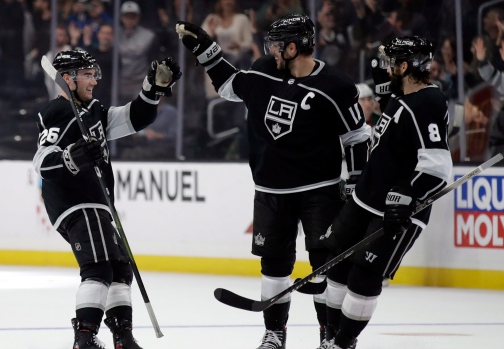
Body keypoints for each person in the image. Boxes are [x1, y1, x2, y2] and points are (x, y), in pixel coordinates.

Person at [176, 13, 372, 349]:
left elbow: (357, 136)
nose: (272, 50)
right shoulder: (264, 69)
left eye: (278, 45)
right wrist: (207, 50)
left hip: (319, 192)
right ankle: (275, 334)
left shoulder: (335, 86)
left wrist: (354, 181)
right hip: (270, 192)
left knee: (325, 266)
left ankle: (329, 336)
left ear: (295, 47)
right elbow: (229, 86)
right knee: (274, 266)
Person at [32, 49, 181, 349]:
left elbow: (133, 118)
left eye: (93, 74)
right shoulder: (57, 113)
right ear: (67, 80)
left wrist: (151, 89)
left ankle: (121, 335)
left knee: (119, 269)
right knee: (98, 268)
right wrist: (74, 157)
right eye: (86, 75)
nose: (93, 81)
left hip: (96, 203)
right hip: (76, 202)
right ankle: (84, 337)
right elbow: (42, 161)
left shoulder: (94, 111)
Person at [318, 36, 453, 349]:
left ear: (405, 66)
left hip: (395, 209)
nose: (387, 66)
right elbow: (391, 117)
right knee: (337, 267)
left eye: (393, 62)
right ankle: (329, 339)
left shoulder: (428, 103)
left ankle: (342, 343)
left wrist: (407, 195)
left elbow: (438, 166)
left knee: (362, 279)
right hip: (365, 200)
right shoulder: (404, 94)